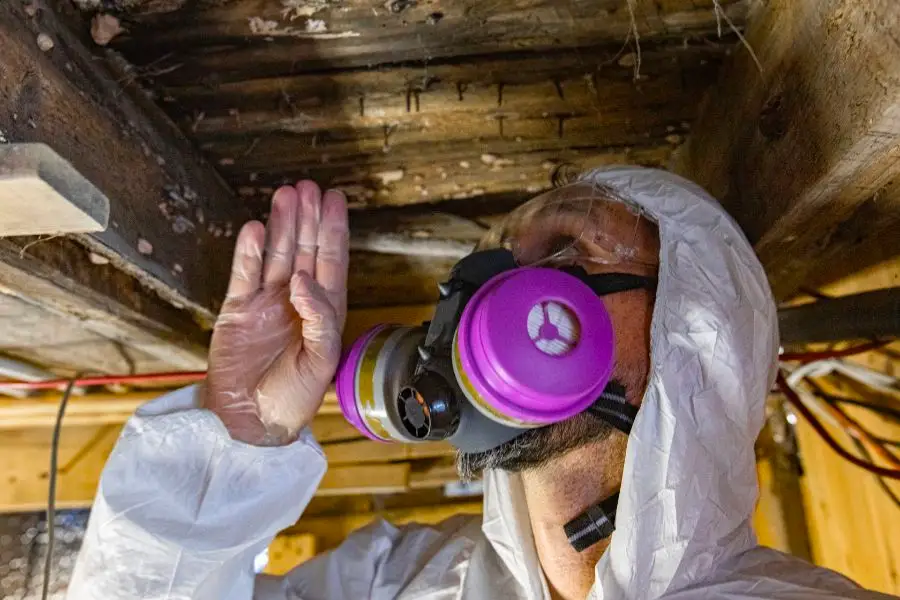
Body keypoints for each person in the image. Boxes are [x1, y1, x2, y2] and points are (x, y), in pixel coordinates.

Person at [67, 167, 895, 600]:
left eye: (569, 259)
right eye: (493, 263)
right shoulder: (396, 584)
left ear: (695, 336)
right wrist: (237, 430)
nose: (481, 297)